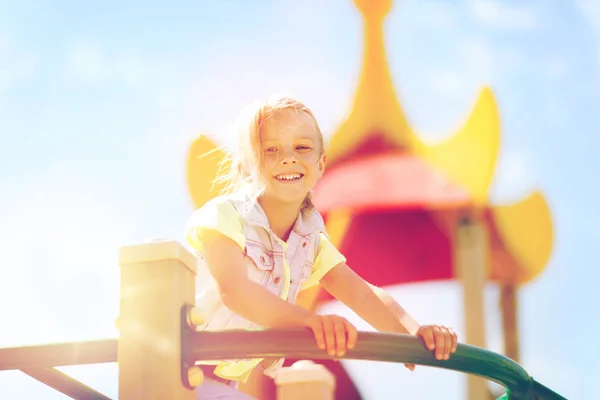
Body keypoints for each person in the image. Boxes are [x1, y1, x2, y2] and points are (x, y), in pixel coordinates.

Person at [185, 96, 458, 399]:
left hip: (221, 383)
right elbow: (235, 291)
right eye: (270, 150)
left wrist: (413, 332)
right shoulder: (225, 216)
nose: (288, 158)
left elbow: (361, 293)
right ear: (246, 167)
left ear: (320, 164)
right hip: (178, 372)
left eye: (302, 147)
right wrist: (308, 321)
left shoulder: (309, 240)